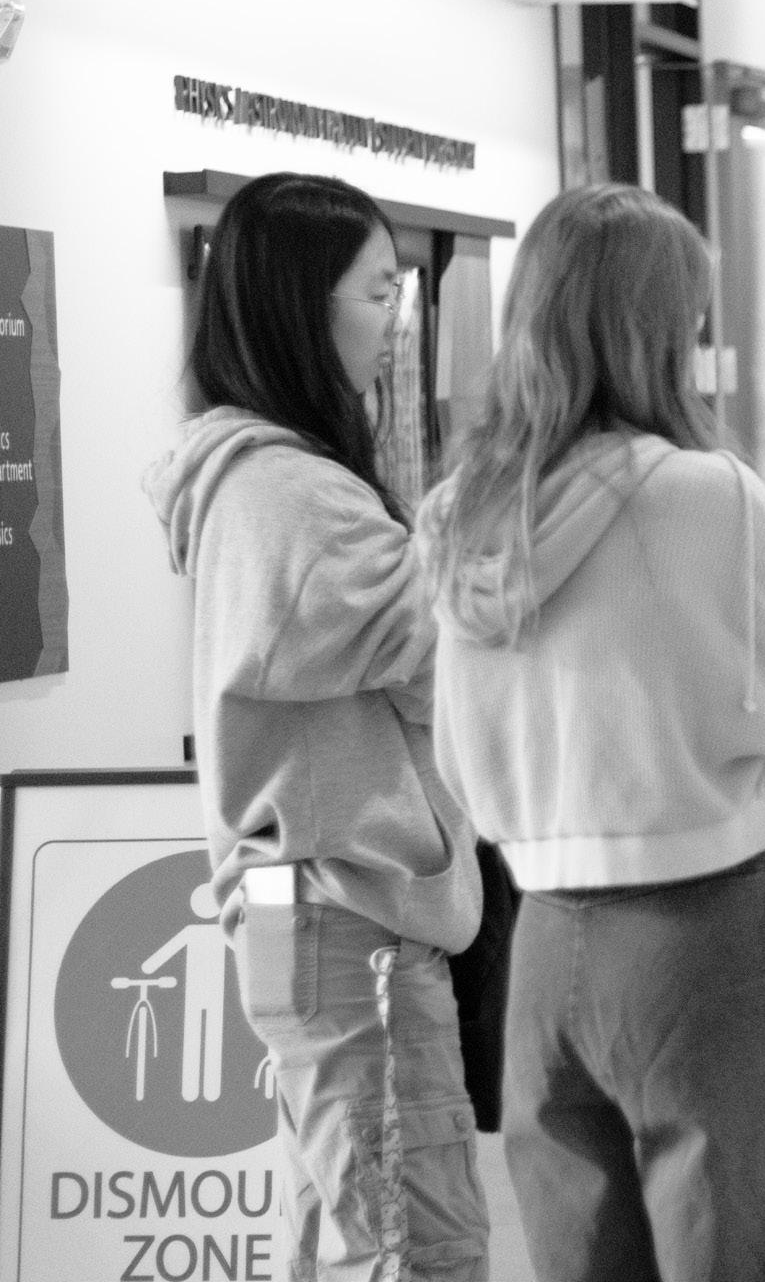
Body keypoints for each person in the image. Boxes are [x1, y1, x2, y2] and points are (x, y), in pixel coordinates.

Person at [418, 182, 765, 1282]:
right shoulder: (704, 495)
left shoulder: (460, 514)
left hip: (540, 940)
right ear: (657, 331)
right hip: (701, 931)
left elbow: (454, 751)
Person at [145, 172, 489, 1281]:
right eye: (377, 292)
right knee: (410, 1239)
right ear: (302, 305)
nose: (394, 322)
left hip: (308, 909)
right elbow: (450, 656)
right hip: (348, 911)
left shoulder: (247, 476)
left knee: (347, 1224)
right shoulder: (290, 494)